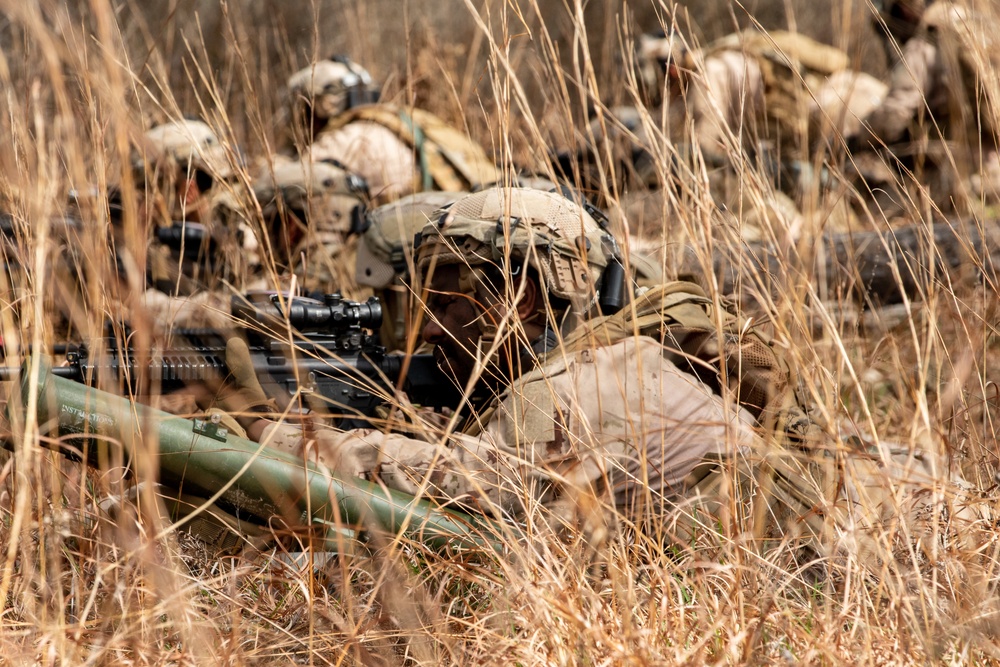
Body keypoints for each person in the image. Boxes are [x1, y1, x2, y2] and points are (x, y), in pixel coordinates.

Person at [285, 57, 500, 203]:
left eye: (305, 109)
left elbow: (285, 186)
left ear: (320, 106)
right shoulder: (405, 118)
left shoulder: (344, 139)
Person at [854, 0, 1000, 208]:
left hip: (963, 173)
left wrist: (859, 137)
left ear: (904, 9)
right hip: (992, 164)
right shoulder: (981, 24)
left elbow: (896, 112)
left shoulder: (928, 39)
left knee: (879, 208)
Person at [253, 156, 371, 297]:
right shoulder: (367, 263)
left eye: (270, 226)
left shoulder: (313, 276)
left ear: (292, 226)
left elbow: (242, 309)